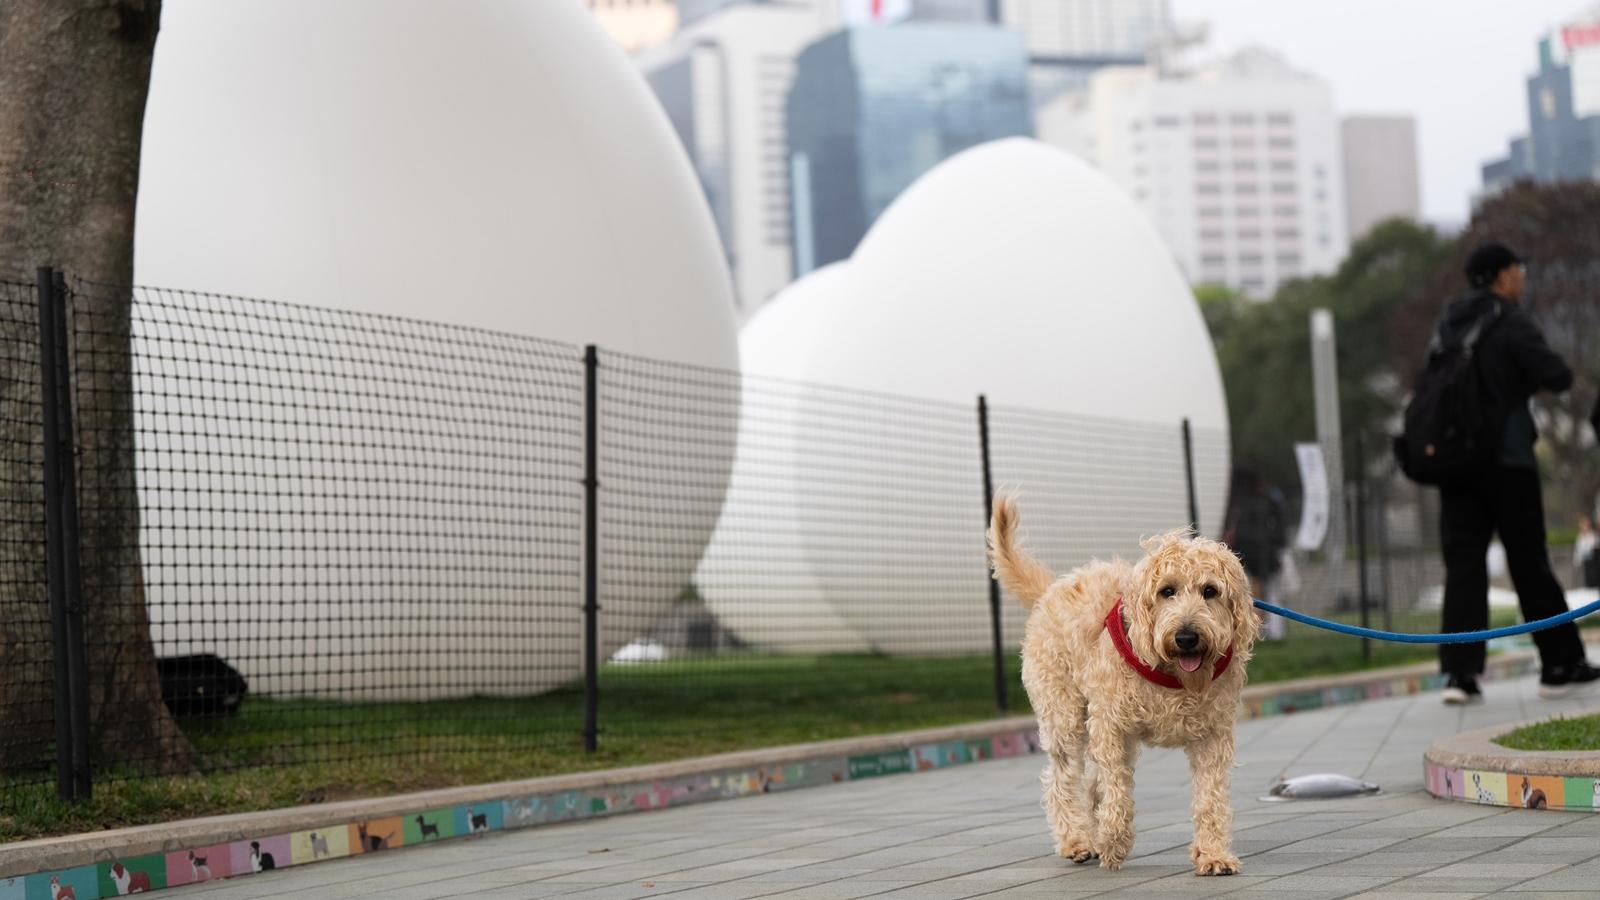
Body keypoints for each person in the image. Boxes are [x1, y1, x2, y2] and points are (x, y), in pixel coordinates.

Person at [1431, 241, 1599, 704]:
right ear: (1503, 275)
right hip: (1508, 464)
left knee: (1463, 570)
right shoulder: (1509, 320)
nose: (1522, 278)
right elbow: (1559, 375)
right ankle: (1559, 665)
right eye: (1518, 270)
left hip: (1456, 468)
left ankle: (1461, 677)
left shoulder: (1449, 322)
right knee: (1531, 563)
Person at [1223, 465, 1288, 640]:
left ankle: (1265, 631)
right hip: (1258, 552)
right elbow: (1280, 526)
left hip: (1250, 552)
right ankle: (1269, 631)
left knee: (1258, 592)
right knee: (1264, 592)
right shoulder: (1266, 497)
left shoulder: (1239, 500)